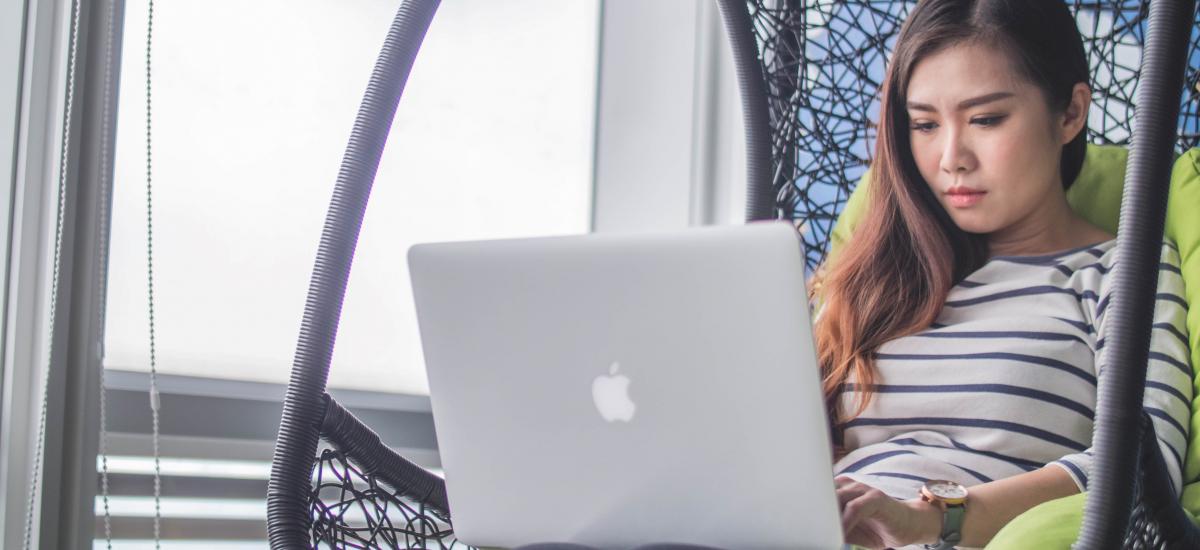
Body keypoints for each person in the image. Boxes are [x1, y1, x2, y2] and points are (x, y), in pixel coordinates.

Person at [809, 0, 1192, 548]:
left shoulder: (1118, 275)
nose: (951, 157)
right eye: (923, 124)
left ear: (1070, 114)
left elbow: (1142, 472)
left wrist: (937, 516)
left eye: (986, 119)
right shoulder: (877, 274)